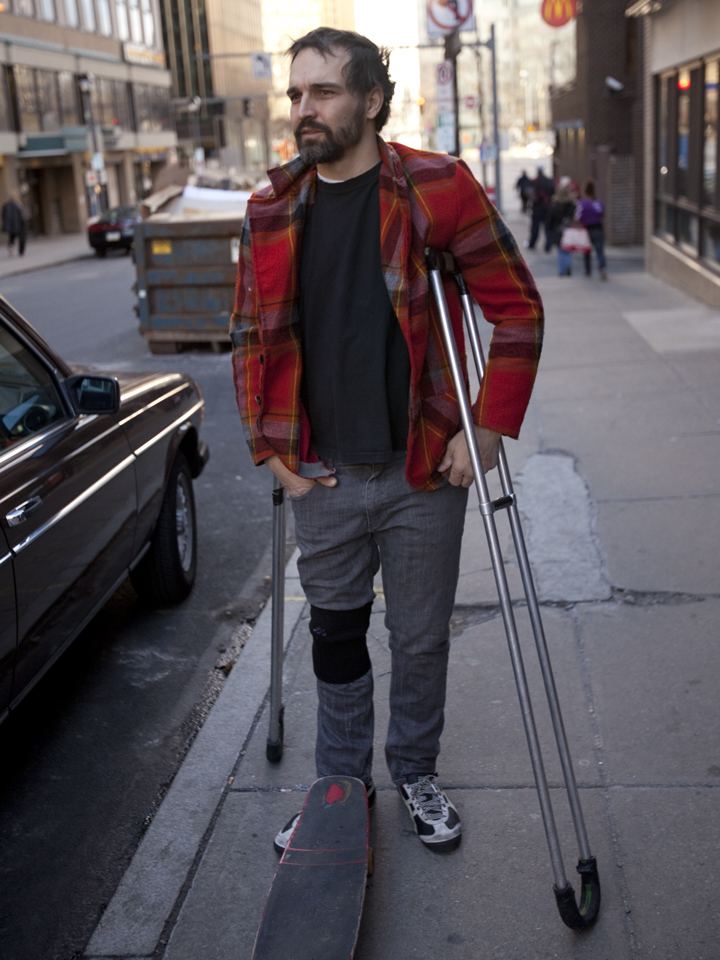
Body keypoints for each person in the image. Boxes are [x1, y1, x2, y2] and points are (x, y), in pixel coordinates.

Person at [230, 27, 543, 855]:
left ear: (370, 100)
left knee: (420, 638)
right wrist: (268, 448)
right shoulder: (270, 209)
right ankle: (341, 787)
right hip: (323, 474)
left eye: (323, 92)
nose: (303, 109)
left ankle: (415, 770)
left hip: (421, 471)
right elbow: (249, 340)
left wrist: (486, 428)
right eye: (295, 94)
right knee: (334, 638)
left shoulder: (437, 189)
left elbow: (516, 310)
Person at [576, 179, 607, 280]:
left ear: (585, 191)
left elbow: (578, 217)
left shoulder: (582, 203)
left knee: (587, 250)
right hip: (598, 228)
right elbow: (602, 213)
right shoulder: (597, 203)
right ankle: (602, 268)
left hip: (586, 229)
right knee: (599, 250)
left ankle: (588, 270)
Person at [546, 177, 577, 275]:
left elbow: (550, 219)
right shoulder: (571, 204)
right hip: (568, 229)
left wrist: (549, 230)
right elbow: (574, 216)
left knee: (560, 250)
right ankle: (567, 266)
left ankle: (561, 270)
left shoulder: (554, 205)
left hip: (557, 230)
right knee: (567, 250)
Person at [526, 166, 554, 251]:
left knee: (535, 228)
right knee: (547, 227)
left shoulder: (534, 181)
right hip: (547, 208)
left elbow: (529, 193)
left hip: (537, 208)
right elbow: (553, 192)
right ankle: (548, 246)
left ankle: (532, 244)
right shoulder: (549, 181)